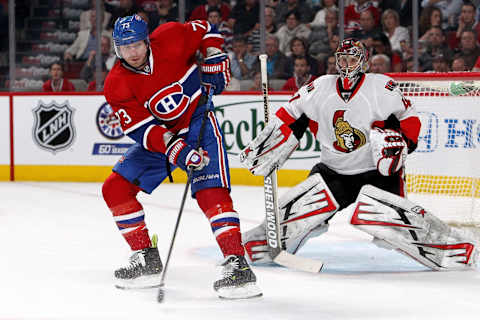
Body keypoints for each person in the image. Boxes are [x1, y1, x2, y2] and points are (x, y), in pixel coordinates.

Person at [240, 38, 478, 271]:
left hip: (377, 173)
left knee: (384, 218)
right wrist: (271, 144)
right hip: (333, 172)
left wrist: (402, 142)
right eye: (341, 59)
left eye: (351, 59)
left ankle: (450, 247)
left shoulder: (381, 87)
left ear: (363, 62)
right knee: (306, 203)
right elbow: (291, 115)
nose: (345, 64)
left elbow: (409, 119)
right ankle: (261, 243)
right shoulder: (319, 87)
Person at [102, 15, 262, 299]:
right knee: (115, 188)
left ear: (147, 40)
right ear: (117, 48)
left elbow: (207, 30)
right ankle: (145, 258)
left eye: (136, 44)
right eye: (125, 47)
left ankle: (238, 265)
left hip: (199, 122)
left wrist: (215, 55)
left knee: (210, 191)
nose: (132, 52)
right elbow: (143, 130)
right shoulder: (116, 84)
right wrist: (177, 149)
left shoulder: (173, 37)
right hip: (163, 138)